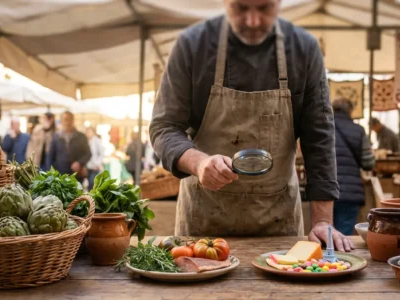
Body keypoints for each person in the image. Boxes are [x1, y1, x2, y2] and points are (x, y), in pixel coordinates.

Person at [150, 0, 353, 251]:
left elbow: (319, 138)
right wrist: (198, 162)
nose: (253, 21)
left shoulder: (303, 49)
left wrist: (323, 221)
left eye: (264, 8)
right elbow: (163, 127)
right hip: (204, 223)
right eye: (241, 8)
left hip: (278, 222)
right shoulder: (192, 46)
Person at [332, 98, 375, 235]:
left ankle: (322, 257)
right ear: (350, 111)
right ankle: (342, 257)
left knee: (323, 235)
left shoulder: (322, 127)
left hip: (324, 189)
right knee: (344, 236)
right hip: (350, 191)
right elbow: (368, 163)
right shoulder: (358, 130)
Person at [47, 111, 91, 181]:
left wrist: (79, 163)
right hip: (60, 177)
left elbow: (88, 154)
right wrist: (51, 174)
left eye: (70, 119)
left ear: (73, 121)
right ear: (61, 121)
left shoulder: (81, 137)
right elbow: (50, 157)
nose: (68, 122)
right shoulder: (56, 137)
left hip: (77, 176)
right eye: (65, 119)